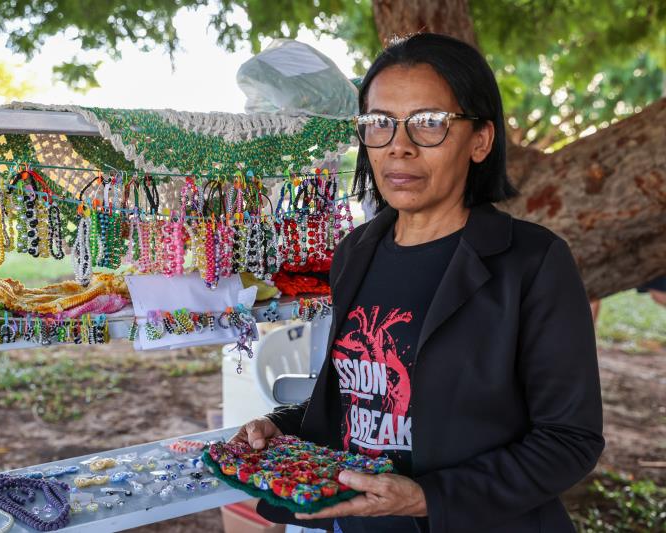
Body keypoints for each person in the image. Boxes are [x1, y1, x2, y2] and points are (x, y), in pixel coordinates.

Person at [232, 33, 604, 533]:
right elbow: (358, 394)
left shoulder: (532, 262)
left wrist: (427, 498)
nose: (399, 147)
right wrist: (283, 425)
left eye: (429, 124)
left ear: (480, 140)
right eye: (379, 124)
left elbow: (569, 438)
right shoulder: (356, 252)